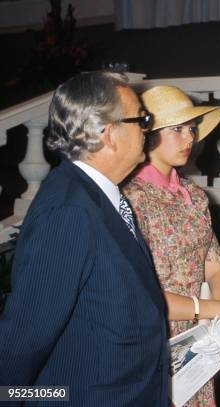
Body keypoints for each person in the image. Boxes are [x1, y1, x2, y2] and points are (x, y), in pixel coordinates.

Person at [0, 71, 168, 405]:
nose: (147, 129)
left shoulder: (100, 197)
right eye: (142, 119)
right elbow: (25, 338)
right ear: (109, 134)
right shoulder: (70, 211)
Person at [122, 85, 220, 407]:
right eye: (177, 130)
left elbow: (214, 268)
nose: (190, 138)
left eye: (191, 129)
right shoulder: (131, 198)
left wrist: (214, 323)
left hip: (196, 338)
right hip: (150, 333)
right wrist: (210, 309)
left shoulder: (195, 196)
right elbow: (136, 293)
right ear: (149, 135)